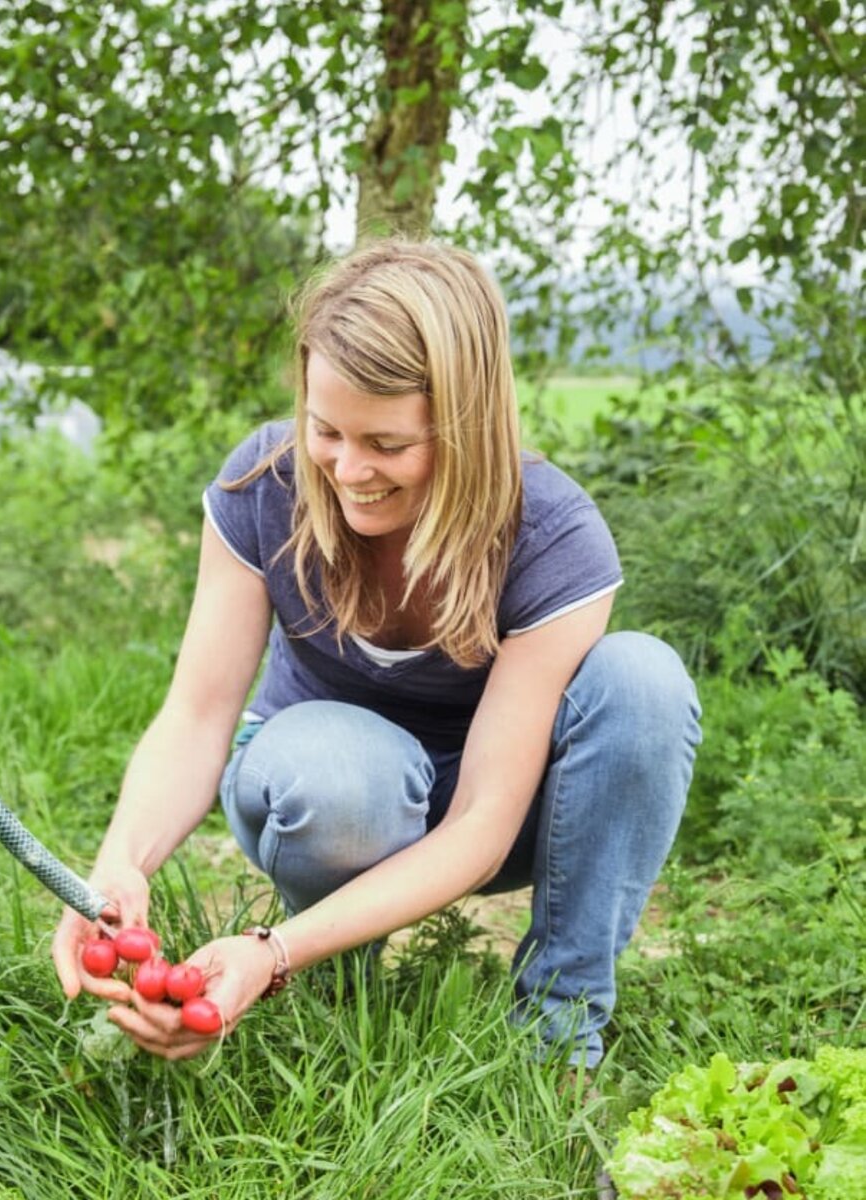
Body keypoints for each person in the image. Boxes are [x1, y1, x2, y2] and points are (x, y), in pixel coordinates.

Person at [52, 239, 702, 1066]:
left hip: (490, 810)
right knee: (348, 771)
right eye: (327, 430)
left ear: (466, 426)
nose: (349, 469)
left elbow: (477, 826)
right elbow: (196, 715)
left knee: (644, 680)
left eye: (388, 445)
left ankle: (557, 1035)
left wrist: (269, 950)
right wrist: (118, 866)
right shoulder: (267, 484)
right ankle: (339, 992)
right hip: (323, 791)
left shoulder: (554, 541)